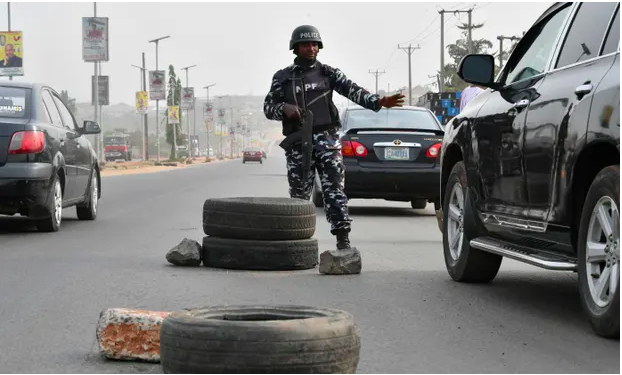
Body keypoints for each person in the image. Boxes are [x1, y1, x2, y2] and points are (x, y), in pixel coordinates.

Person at [263, 25, 405, 250]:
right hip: (299, 142)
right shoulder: (282, 77)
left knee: (334, 191)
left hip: (326, 140)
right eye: (305, 44)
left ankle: (342, 238)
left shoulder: (329, 73)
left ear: (319, 47)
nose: (311, 48)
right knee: (299, 195)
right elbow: (268, 108)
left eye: (314, 44)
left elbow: (353, 91)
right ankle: (298, 241)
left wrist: (378, 102)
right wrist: (284, 108)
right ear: (295, 48)